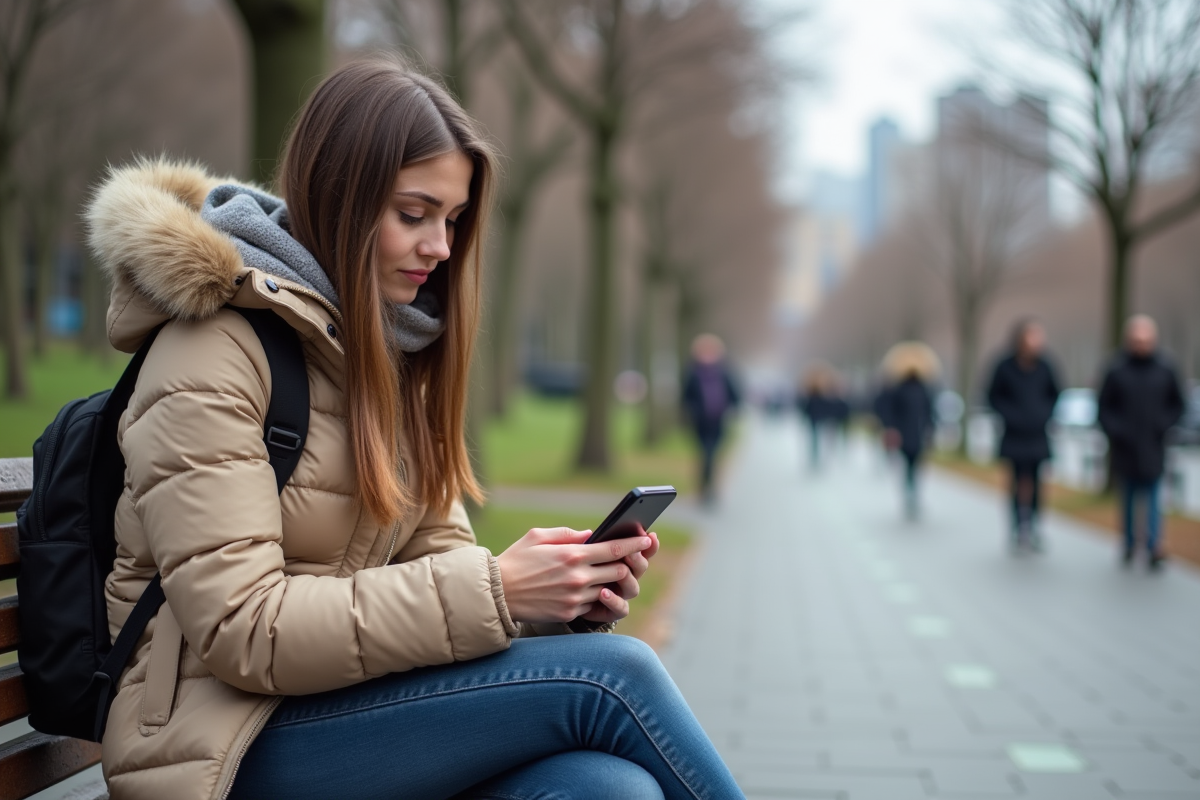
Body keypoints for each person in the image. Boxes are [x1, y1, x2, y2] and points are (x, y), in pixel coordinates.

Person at [87, 60, 742, 800]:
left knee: (605, 788)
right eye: (413, 213)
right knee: (616, 678)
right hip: (220, 748)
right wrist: (499, 588)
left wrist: (550, 604)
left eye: (454, 220)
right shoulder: (211, 352)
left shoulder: (386, 354)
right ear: (339, 196)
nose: (441, 247)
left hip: (345, 713)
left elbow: (440, 571)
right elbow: (246, 629)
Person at [1098, 315, 1185, 570]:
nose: (1141, 344)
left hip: (1153, 445)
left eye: (1145, 339)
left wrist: (1164, 426)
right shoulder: (1116, 369)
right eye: (1137, 339)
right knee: (1128, 497)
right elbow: (1104, 408)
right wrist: (1117, 431)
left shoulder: (1166, 368)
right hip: (1125, 447)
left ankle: (1154, 545)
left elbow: (1178, 404)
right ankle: (1128, 542)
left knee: (1155, 498)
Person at [987, 319, 1061, 552]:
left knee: (1038, 482)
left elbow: (1055, 394)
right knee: (1016, 481)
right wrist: (1011, 416)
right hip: (1014, 434)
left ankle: (1036, 526)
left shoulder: (1046, 366)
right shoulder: (1004, 366)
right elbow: (992, 396)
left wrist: (1044, 414)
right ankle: (1018, 527)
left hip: (1038, 433)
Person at [876, 343, 938, 520]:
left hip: (918, 433)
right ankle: (909, 494)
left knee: (916, 466)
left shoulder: (925, 389)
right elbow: (888, 410)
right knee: (908, 466)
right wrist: (891, 428)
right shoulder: (897, 389)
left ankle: (914, 494)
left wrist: (931, 428)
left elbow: (929, 411)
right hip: (904, 433)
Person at [682, 333, 740, 504]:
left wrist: (731, 409)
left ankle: (710, 487)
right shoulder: (692, 373)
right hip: (700, 422)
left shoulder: (725, 372)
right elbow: (686, 396)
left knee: (713, 455)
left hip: (719, 421)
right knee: (704, 454)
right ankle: (704, 488)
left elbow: (735, 394)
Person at [797, 363, 842, 470]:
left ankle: (817, 458)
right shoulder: (817, 396)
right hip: (818, 419)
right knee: (818, 440)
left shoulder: (815, 396)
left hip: (817, 420)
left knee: (816, 440)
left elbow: (806, 408)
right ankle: (817, 458)